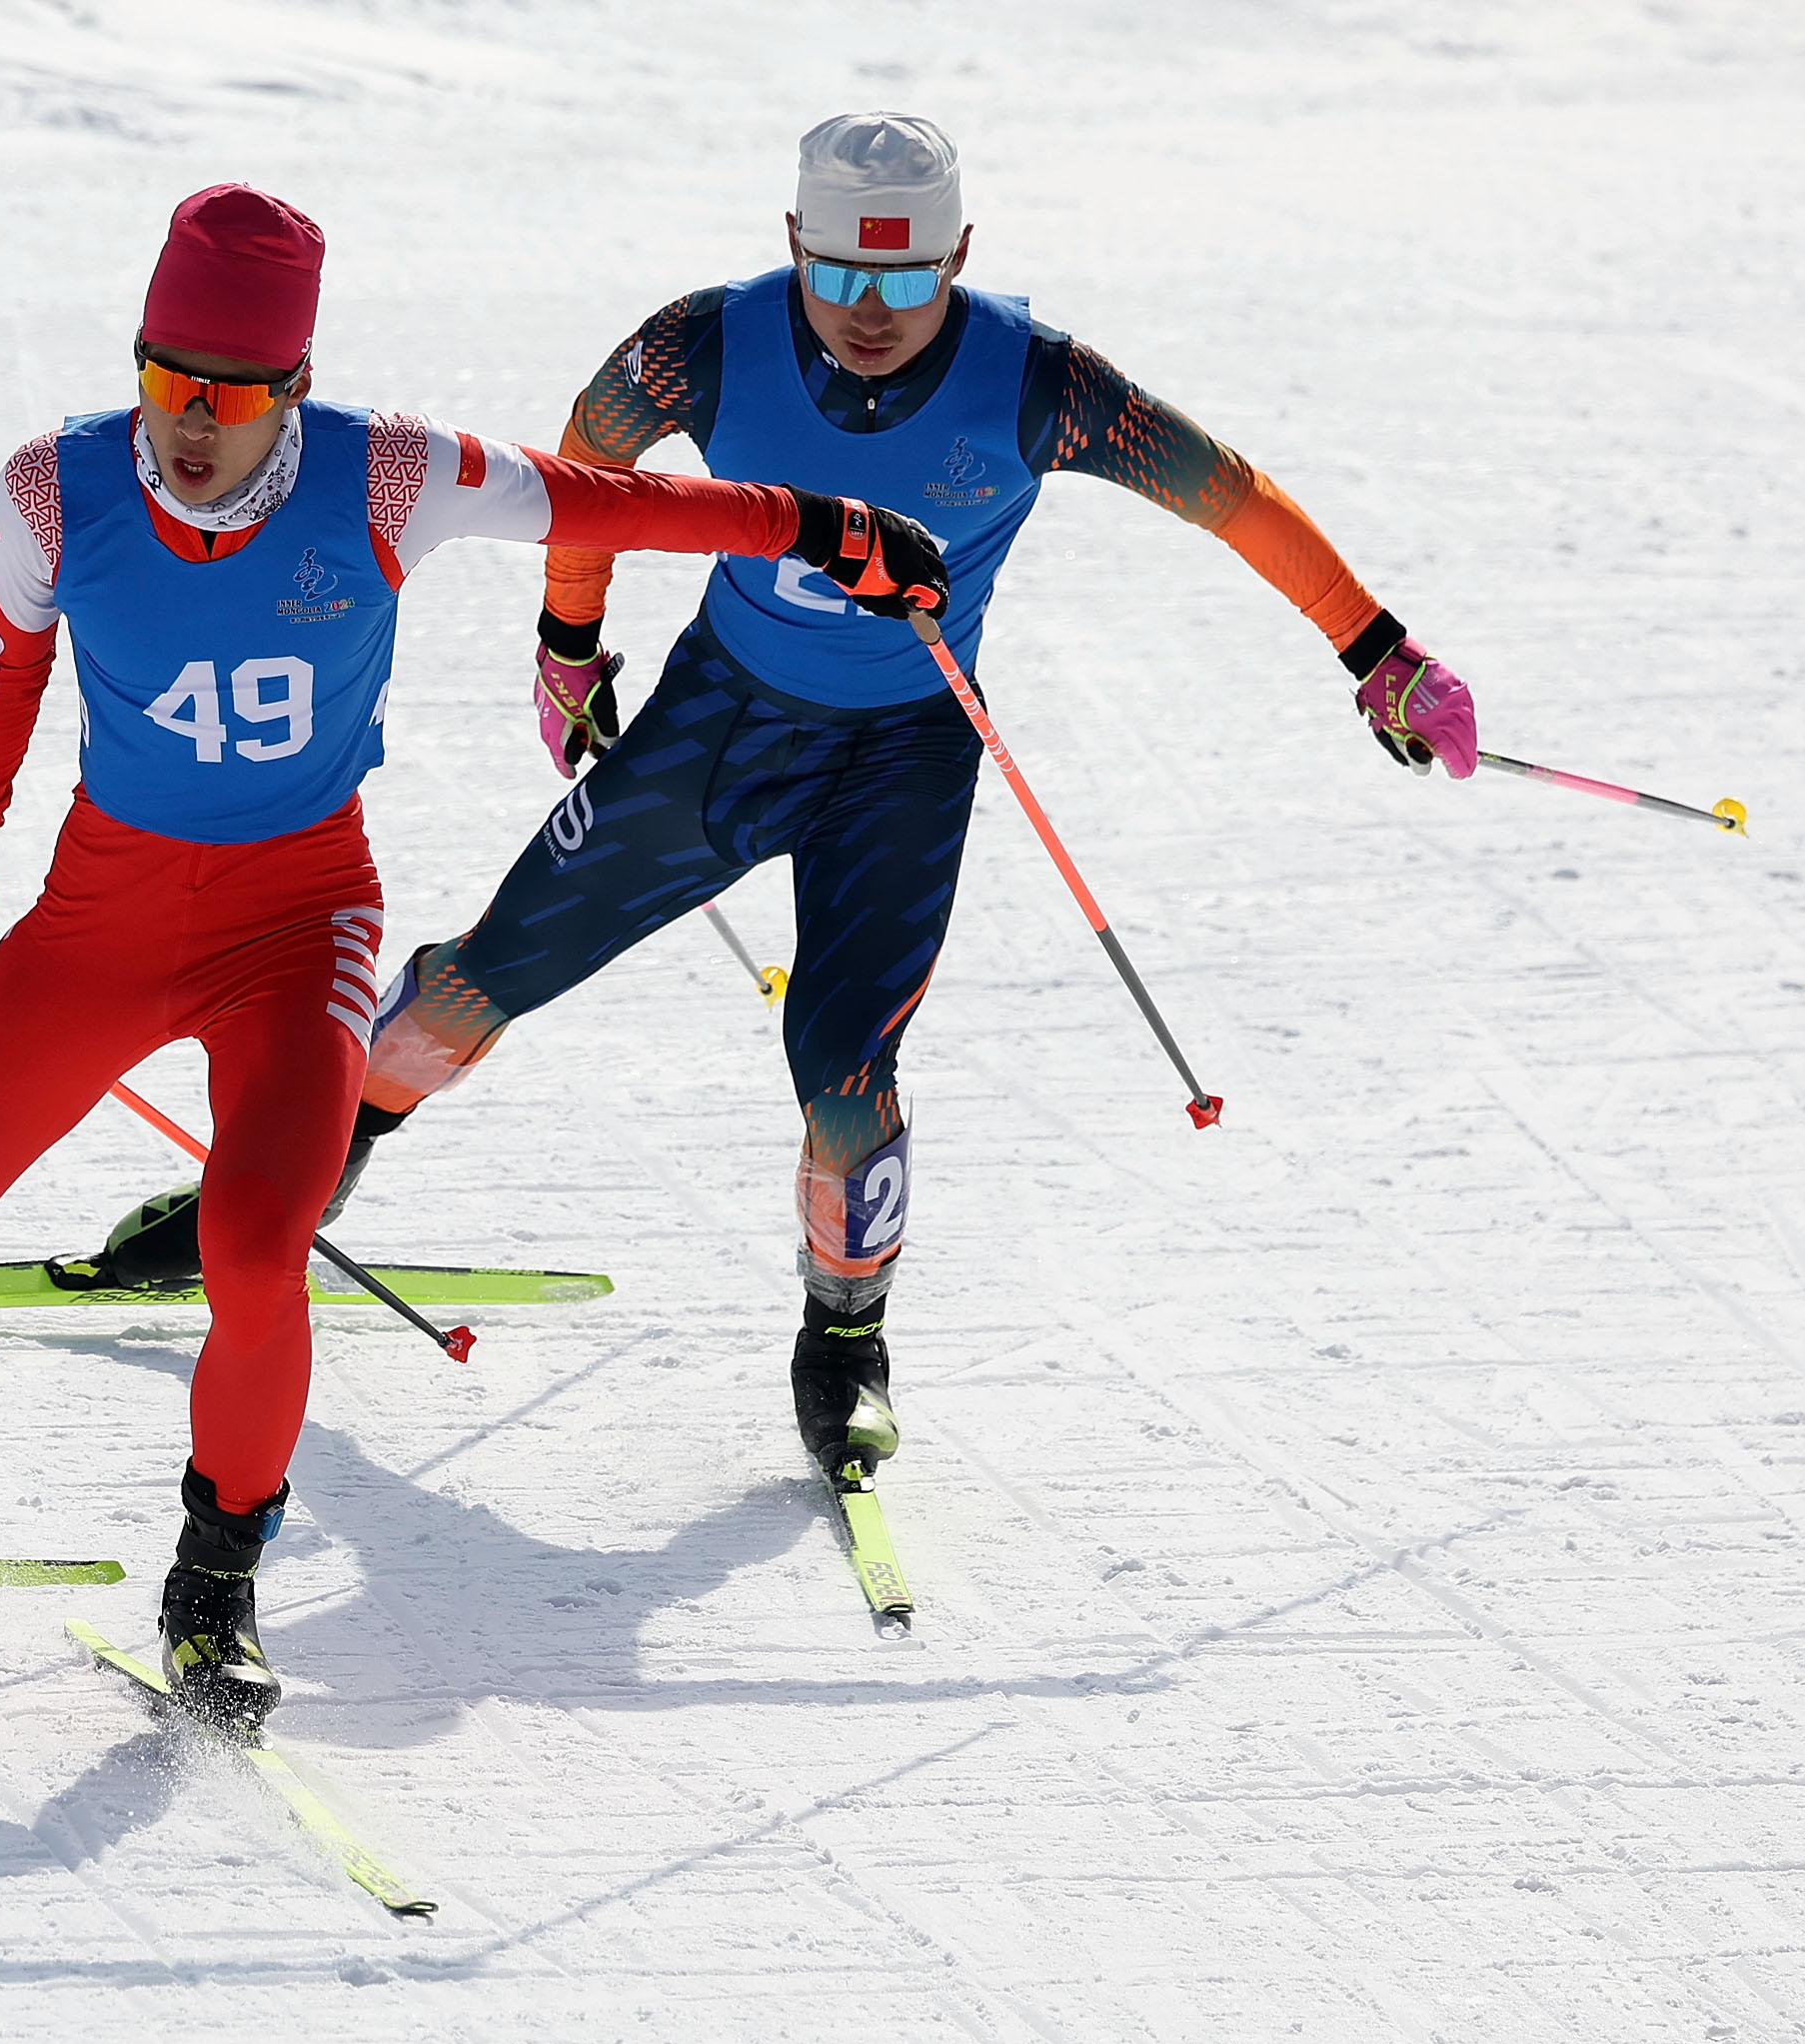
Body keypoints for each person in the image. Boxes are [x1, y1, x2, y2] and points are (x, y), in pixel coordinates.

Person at [0, 183, 950, 1727]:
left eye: (231, 396)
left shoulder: (388, 474)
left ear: (292, 391)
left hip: (298, 927)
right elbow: (0, 659)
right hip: (100, 924)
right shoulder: (54, 487)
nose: (191, 423)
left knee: (258, 1249)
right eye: (167, 381)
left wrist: (821, 525)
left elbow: (606, 503)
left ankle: (216, 1588)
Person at [84, 116, 1481, 1487]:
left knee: (844, 1071)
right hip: (721, 722)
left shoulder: (1041, 385)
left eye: (907, 280)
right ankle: (297, 1180)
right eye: (839, 276)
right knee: (477, 978)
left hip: (903, 758)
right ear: (793, 245)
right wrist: (570, 643)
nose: (869, 313)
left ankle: (847, 1337)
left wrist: (1377, 650)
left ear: (963, 258)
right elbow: (589, 457)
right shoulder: (708, 341)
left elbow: (1226, 495)